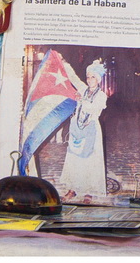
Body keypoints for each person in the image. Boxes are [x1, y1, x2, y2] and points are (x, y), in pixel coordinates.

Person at [57, 58, 109, 201]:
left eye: (93, 77)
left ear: (98, 79)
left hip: (90, 129)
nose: (90, 80)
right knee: (74, 158)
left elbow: (93, 110)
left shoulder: (101, 96)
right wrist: (64, 62)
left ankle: (88, 192)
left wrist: (81, 100)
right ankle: (72, 189)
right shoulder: (83, 89)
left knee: (89, 159)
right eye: (88, 77)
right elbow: (73, 77)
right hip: (76, 128)